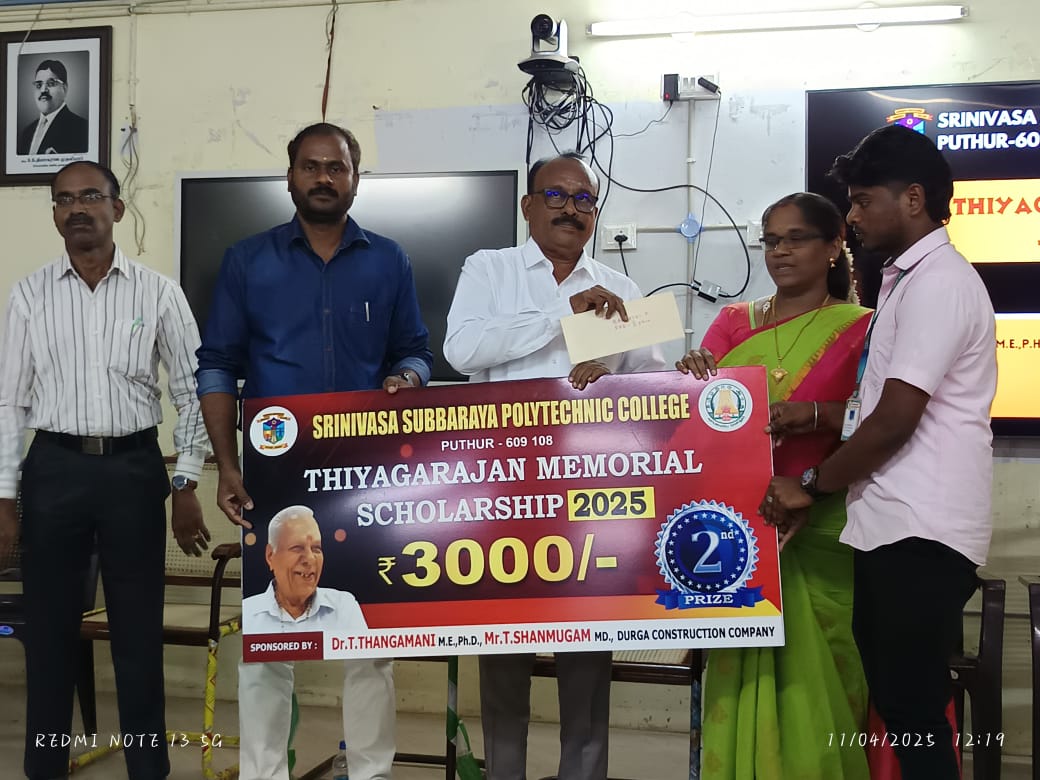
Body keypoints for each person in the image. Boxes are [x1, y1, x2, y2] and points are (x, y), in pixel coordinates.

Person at [195, 122, 432, 780]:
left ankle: (371, 773)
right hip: (275, 471)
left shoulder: (390, 260)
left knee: (370, 642)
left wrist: (407, 377)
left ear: (355, 179)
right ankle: (264, 773)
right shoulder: (248, 261)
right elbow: (217, 365)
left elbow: (415, 351)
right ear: (290, 177)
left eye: (337, 167)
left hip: (367, 473)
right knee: (267, 644)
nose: (324, 177)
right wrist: (227, 465)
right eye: (311, 166)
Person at [762, 125, 997, 779]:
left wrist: (811, 482)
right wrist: (818, 418)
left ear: (913, 199)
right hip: (893, 524)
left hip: (921, 529)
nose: (855, 217)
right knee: (901, 704)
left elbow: (894, 419)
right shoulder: (905, 280)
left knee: (913, 709)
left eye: (865, 201)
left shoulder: (939, 283)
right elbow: (876, 408)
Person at [443, 151, 666, 780]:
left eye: (584, 199)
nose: (572, 209)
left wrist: (631, 379)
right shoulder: (489, 268)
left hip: (591, 497)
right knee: (503, 652)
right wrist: (562, 319)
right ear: (528, 206)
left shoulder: (622, 291)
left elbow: (651, 386)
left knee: (587, 656)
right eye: (557, 196)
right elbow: (462, 351)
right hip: (502, 492)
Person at [0, 160, 210, 780]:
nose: (78, 208)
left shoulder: (159, 292)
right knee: (50, 634)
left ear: (117, 209)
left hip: (133, 472)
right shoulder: (29, 295)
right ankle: (45, 767)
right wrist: (5, 499)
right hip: (53, 471)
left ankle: (148, 769)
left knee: (137, 632)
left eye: (91, 195)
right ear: (55, 215)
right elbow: (10, 403)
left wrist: (186, 480)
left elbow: (194, 392)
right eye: (64, 199)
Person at [677, 192, 872, 779]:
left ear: (834, 245)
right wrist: (687, 379)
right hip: (743, 522)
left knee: (827, 675)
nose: (780, 251)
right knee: (744, 672)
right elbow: (698, 416)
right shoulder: (734, 322)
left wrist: (815, 415)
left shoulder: (864, 328)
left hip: (826, 518)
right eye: (770, 240)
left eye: (796, 238)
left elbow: (879, 418)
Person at [243, 505, 368, 634]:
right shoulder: (247, 613)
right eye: (297, 548)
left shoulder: (343, 607)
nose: (310, 558)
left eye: (316, 548)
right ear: (270, 556)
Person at [17, 60, 89, 156]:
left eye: (51, 83)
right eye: (39, 85)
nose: (43, 90)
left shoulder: (81, 128)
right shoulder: (27, 132)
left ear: (65, 88)